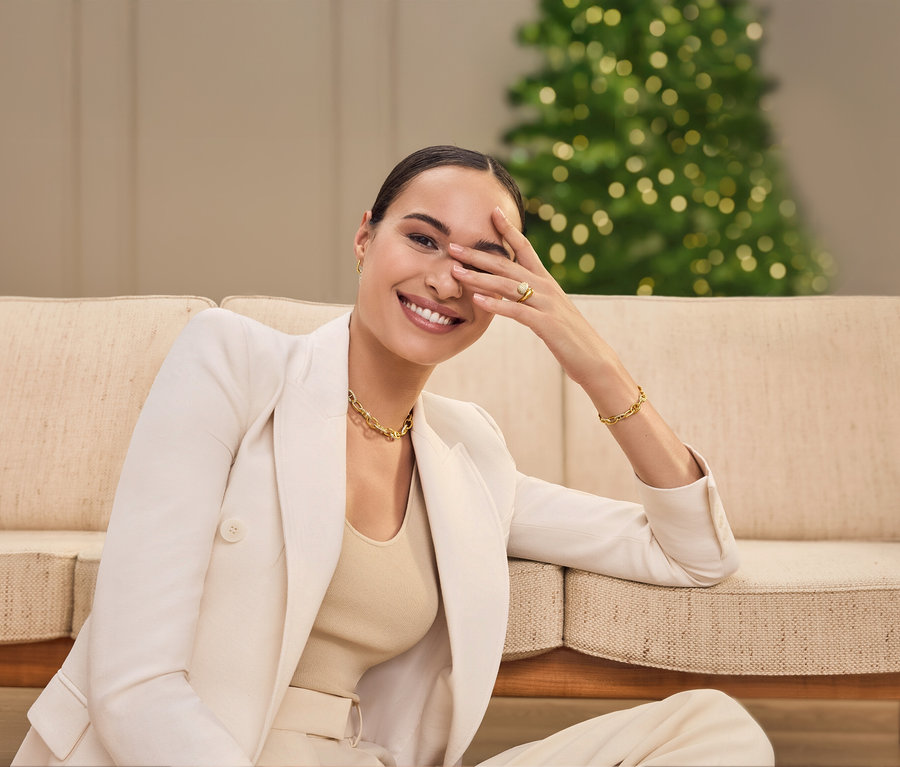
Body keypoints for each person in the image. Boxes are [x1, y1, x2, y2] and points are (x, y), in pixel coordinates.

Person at [14, 145, 773, 766]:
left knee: (710, 729)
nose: (446, 277)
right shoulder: (235, 362)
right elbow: (133, 684)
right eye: (422, 238)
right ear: (364, 238)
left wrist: (586, 351)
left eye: (483, 260)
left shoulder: (467, 456)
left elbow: (695, 553)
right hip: (192, 752)